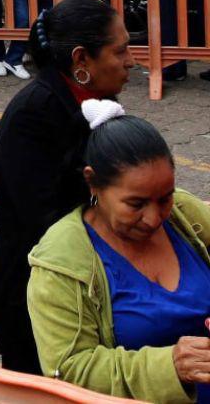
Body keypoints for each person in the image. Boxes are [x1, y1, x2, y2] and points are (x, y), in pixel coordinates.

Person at [0, 0, 132, 374]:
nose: (131, 61)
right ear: (81, 60)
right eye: (121, 50)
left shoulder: (93, 101)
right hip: (35, 298)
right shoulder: (34, 116)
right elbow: (42, 221)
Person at [28, 105, 210, 402]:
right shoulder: (61, 261)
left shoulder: (184, 214)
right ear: (92, 182)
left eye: (164, 198)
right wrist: (169, 367)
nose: (154, 218)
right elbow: (69, 369)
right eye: (136, 204)